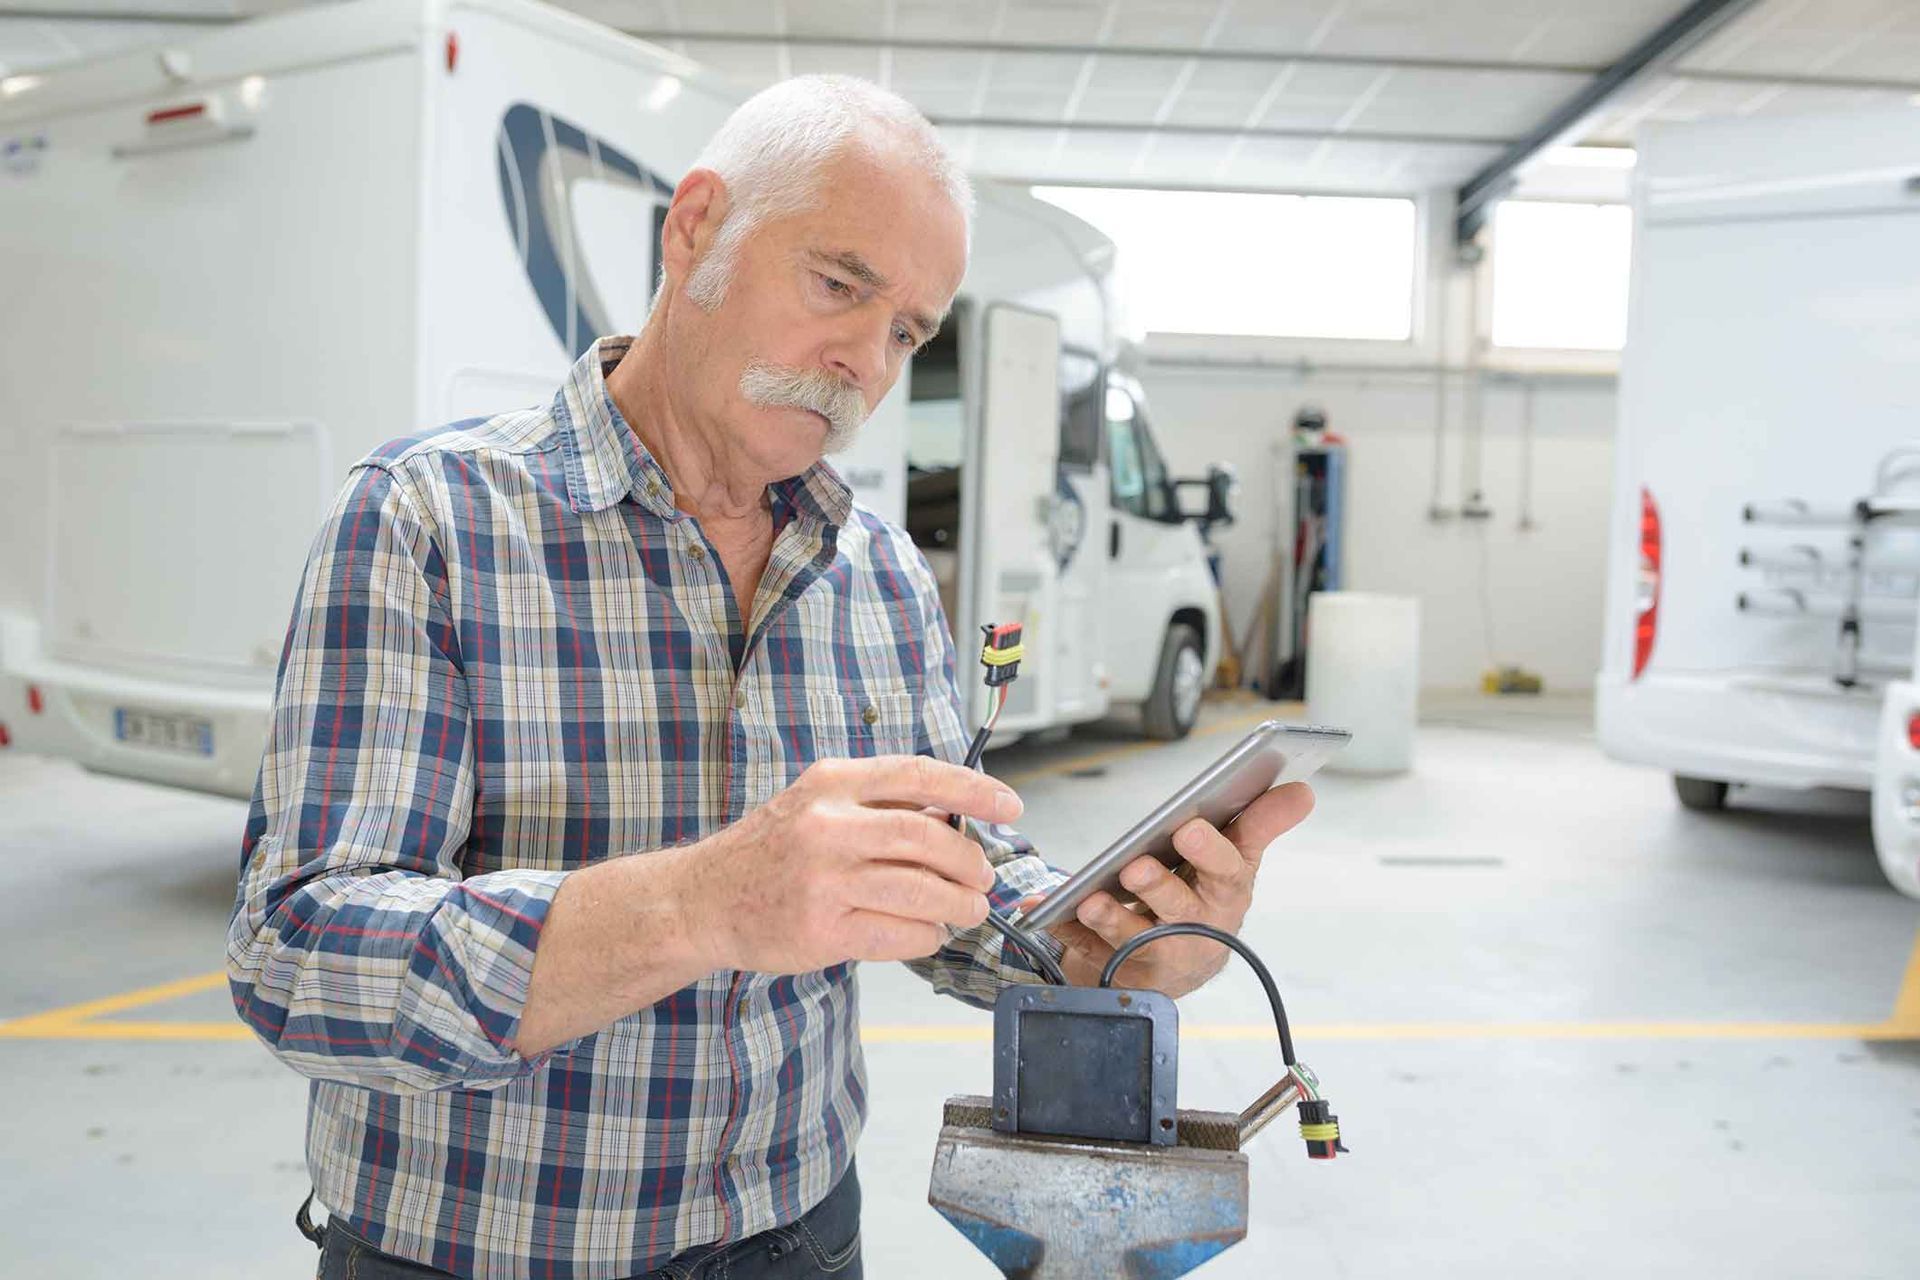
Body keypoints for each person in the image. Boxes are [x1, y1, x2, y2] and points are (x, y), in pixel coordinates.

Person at [227, 74, 1313, 1280]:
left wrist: (1110, 947)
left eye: (907, 329)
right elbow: (298, 959)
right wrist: (699, 904)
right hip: (480, 1252)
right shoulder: (428, 520)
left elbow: (953, 881)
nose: (863, 359)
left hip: (799, 1237)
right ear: (694, 228)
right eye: (840, 283)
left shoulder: (881, 570)